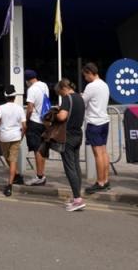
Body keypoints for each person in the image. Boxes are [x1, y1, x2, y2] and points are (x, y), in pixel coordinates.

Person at [55, 78, 86, 212]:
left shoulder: (67, 99)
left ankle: (78, 199)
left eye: (60, 93)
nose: (61, 95)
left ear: (63, 88)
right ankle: (76, 196)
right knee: (76, 164)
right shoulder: (80, 98)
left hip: (68, 136)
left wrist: (56, 113)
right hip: (78, 134)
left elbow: (62, 117)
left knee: (69, 167)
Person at [81, 62, 111, 193]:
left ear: (89, 72)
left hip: (94, 122)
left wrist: (82, 95)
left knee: (97, 154)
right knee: (104, 152)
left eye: (85, 75)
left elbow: (82, 102)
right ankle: (106, 180)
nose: (85, 78)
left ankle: (100, 182)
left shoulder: (91, 86)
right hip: (104, 120)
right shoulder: (104, 84)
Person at [0, 85, 27, 196]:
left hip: (4, 136)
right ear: (15, 96)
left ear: (5, 96)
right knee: (12, 159)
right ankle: (14, 179)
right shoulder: (19, 108)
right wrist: (21, 136)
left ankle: (12, 181)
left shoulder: (1, 107)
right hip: (16, 136)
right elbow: (24, 125)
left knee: (8, 158)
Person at [24, 70, 50, 185]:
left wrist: (26, 120)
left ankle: (39, 176)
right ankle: (42, 174)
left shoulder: (31, 89)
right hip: (44, 122)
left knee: (37, 150)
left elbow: (30, 108)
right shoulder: (44, 85)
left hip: (35, 121)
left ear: (27, 81)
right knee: (42, 149)